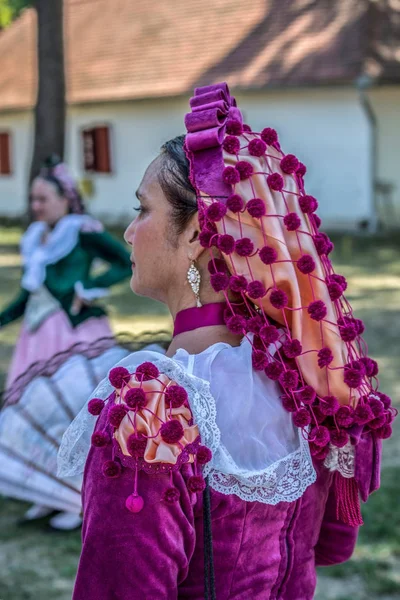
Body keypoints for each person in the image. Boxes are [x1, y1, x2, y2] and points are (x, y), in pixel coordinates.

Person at [59, 83, 395, 598]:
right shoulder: (310, 381)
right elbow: (332, 546)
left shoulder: (153, 412)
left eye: (140, 209)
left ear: (196, 234)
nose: (128, 233)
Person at [0, 156, 132, 530]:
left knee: (75, 414)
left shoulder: (81, 230)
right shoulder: (36, 238)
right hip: (36, 336)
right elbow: (30, 296)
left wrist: (90, 289)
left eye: (42, 198)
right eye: (33, 199)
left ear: (64, 198)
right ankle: (48, 493)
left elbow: (124, 261)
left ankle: (76, 498)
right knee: (39, 413)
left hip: (74, 337)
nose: (36, 206)